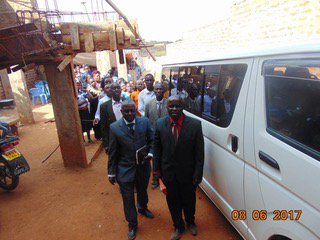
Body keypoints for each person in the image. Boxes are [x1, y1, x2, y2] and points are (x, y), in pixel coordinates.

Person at [153, 96, 204, 240]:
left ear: (183, 107)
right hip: (168, 173)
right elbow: (157, 150)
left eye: (178, 106)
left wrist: (198, 174)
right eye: (171, 106)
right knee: (173, 202)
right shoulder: (160, 124)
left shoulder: (195, 125)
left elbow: (199, 153)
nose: (174, 109)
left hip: (188, 174)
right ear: (166, 108)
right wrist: (156, 172)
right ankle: (178, 226)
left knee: (189, 201)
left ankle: (190, 222)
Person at [108, 99, 155, 240]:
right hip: (124, 169)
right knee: (127, 198)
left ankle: (143, 207)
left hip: (142, 166)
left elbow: (152, 141)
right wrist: (111, 172)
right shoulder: (114, 127)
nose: (130, 113)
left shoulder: (144, 122)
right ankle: (132, 224)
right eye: (126, 111)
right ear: (121, 111)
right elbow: (113, 152)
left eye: (132, 110)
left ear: (136, 110)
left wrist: (150, 154)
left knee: (142, 191)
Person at [145, 82, 168, 190]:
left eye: (161, 89)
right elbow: (146, 120)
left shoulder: (169, 103)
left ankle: (164, 177)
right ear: (154, 91)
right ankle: (155, 178)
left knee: (165, 156)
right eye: (157, 89)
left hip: (166, 136)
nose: (159, 91)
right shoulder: (149, 104)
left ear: (164, 91)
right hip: (153, 136)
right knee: (155, 157)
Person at [100, 83, 123, 150]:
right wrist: (106, 144)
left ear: (121, 90)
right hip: (113, 138)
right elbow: (103, 126)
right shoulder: (104, 106)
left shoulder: (127, 101)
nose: (116, 90)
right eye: (114, 88)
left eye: (118, 88)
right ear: (111, 91)